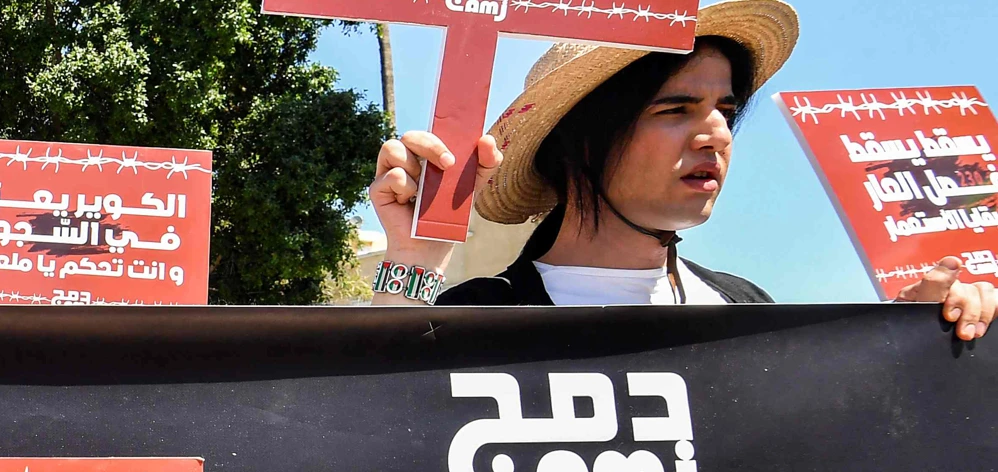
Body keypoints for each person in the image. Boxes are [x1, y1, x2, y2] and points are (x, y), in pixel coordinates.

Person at [365, 0, 997, 338]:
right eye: (675, 107)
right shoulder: (484, 317)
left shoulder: (748, 309)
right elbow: (372, 431)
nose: (717, 132)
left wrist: (916, 340)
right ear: (582, 142)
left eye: (726, 107)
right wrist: (413, 266)